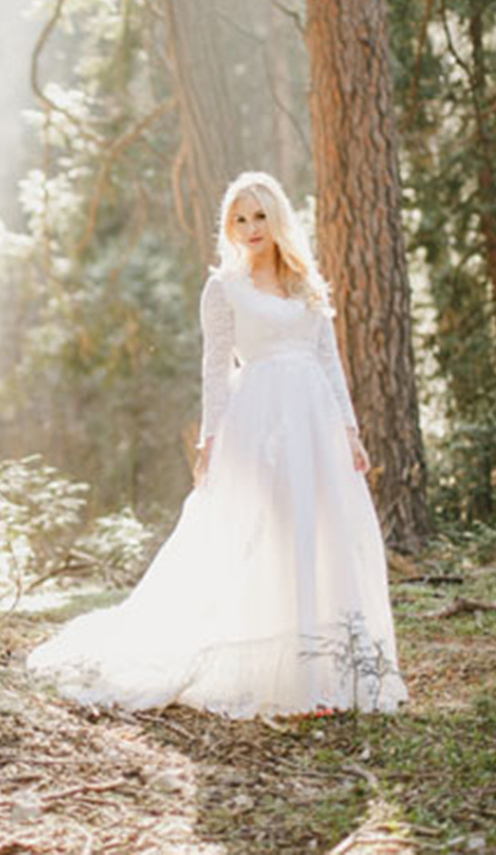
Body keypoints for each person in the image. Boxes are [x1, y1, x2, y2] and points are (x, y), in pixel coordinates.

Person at [26, 171, 408, 718]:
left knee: (320, 531)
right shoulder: (223, 288)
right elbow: (214, 367)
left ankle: (329, 670)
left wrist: (349, 431)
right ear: (229, 227)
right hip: (260, 419)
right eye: (239, 219)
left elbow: (329, 361)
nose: (251, 228)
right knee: (268, 530)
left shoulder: (306, 283)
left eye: (259, 216)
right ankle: (274, 670)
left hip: (316, 422)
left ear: (277, 220)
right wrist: (211, 439)